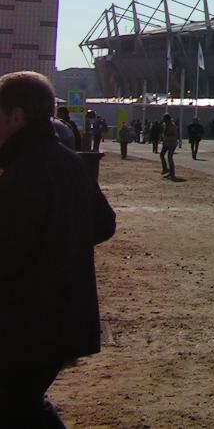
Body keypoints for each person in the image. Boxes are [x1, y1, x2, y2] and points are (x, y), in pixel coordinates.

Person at [0, 71, 117, 426]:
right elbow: (104, 223)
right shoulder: (68, 162)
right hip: (61, 318)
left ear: (17, 116)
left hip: (28, 322)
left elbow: (8, 254)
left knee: (17, 405)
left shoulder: (24, 172)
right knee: (22, 404)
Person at [160, 113, 178, 179]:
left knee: (169, 157)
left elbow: (175, 135)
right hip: (166, 143)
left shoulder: (172, 126)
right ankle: (165, 169)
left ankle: (172, 172)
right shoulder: (165, 125)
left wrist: (168, 135)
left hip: (172, 143)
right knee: (162, 155)